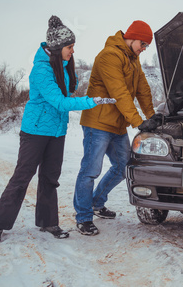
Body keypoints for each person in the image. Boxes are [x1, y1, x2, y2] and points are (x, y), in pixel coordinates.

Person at [0, 15, 116, 244]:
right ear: (56, 48)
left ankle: (48, 222)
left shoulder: (62, 66)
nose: (72, 51)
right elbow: (60, 102)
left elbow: (67, 92)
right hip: (35, 132)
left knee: (50, 178)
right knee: (22, 177)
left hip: (56, 132)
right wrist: (92, 101)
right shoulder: (41, 71)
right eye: (69, 47)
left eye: (73, 46)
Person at [73, 20, 161, 236]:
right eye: (143, 43)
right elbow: (118, 92)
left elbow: (143, 89)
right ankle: (83, 217)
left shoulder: (133, 59)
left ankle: (96, 202)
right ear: (131, 37)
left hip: (117, 125)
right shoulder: (109, 56)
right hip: (98, 124)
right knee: (90, 170)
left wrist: (152, 117)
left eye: (146, 46)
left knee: (123, 167)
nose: (144, 48)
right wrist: (138, 121)